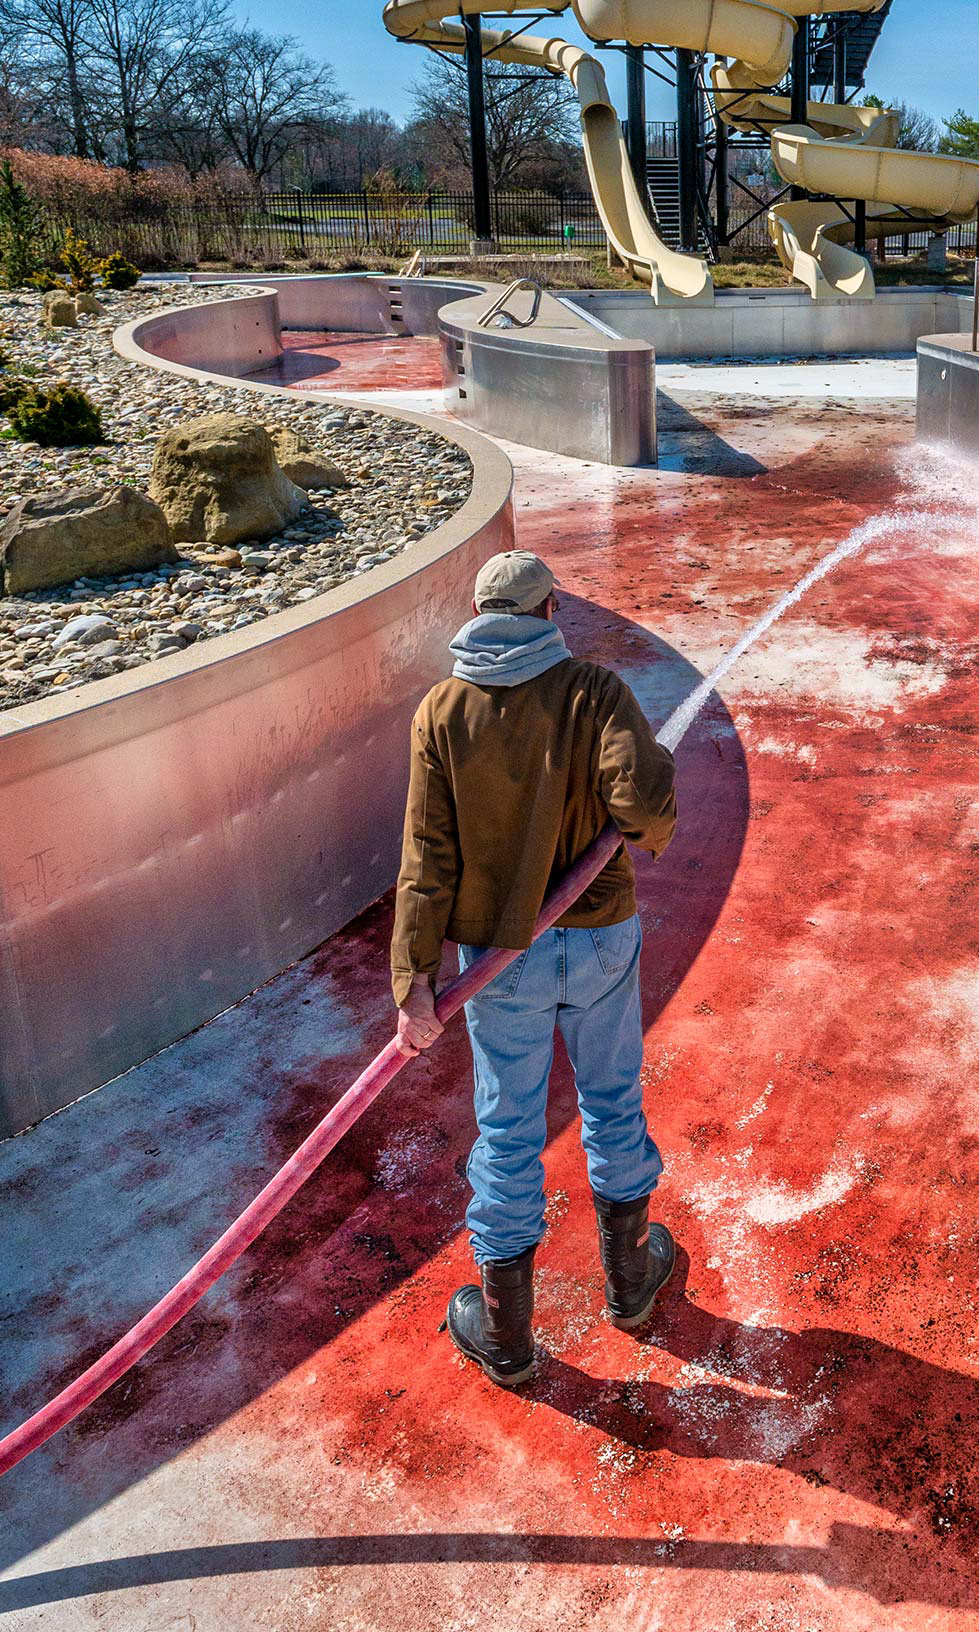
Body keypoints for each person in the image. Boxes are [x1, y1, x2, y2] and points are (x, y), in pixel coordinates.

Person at [390, 549, 678, 1387]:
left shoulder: (441, 710)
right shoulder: (594, 692)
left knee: (510, 1128)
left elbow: (426, 854)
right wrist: (651, 788)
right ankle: (630, 1286)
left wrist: (414, 982)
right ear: (550, 611)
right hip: (596, 937)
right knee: (612, 1097)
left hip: (495, 962)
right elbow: (642, 803)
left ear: (481, 615)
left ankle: (509, 1338)